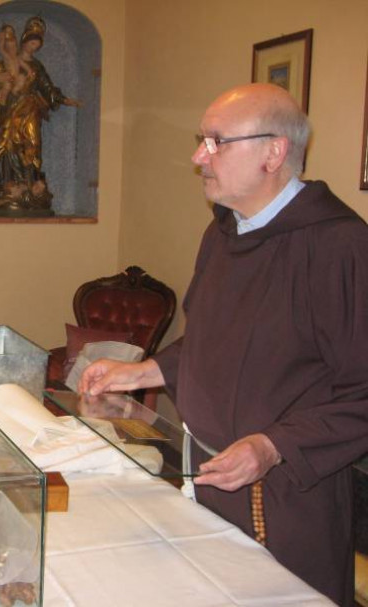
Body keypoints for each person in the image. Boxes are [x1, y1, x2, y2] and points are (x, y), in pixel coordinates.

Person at [79, 83, 368, 605]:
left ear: (273, 152)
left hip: (284, 499)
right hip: (206, 480)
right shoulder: (222, 233)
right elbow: (219, 341)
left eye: (215, 142)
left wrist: (273, 445)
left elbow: (363, 391)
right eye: (201, 140)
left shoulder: (340, 246)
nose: (198, 157)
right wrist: (143, 371)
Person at [0, 16, 79, 214]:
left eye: (37, 45)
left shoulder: (37, 67)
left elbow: (47, 88)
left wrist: (64, 99)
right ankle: (11, 183)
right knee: (10, 145)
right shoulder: (4, 62)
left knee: (33, 143)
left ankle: (31, 182)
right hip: (10, 111)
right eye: (31, 42)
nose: (33, 48)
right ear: (23, 40)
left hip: (30, 109)